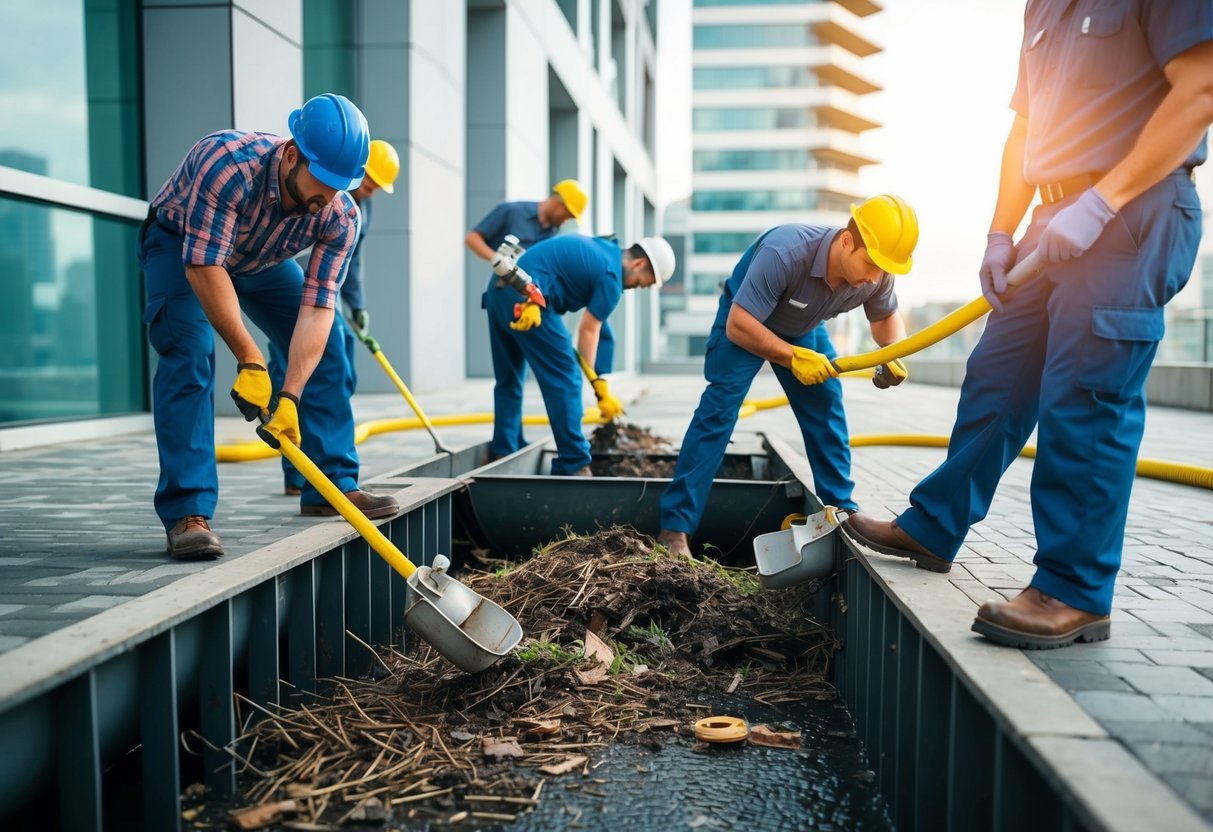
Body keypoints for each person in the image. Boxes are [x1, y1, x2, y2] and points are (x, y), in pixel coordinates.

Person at [842, 3, 1213, 649]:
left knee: (1084, 398)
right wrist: (998, 231)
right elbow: (1024, 127)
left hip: (1132, 209)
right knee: (995, 379)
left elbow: (1201, 87)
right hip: (1051, 216)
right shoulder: (1042, 5)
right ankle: (933, 525)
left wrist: (1104, 200)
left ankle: (1073, 591)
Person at [138, 93, 400, 561]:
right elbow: (205, 266)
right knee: (190, 348)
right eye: (322, 182)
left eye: (340, 187)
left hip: (261, 259)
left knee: (333, 344)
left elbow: (318, 308)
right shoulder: (227, 164)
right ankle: (188, 512)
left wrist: (291, 395)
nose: (328, 199)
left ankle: (331, 485)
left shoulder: (340, 213)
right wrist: (252, 359)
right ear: (293, 155)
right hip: (183, 247)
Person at [656, 195, 920, 557]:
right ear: (846, 240)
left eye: (883, 269)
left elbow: (886, 319)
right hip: (748, 320)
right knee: (718, 413)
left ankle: (840, 509)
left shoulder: (877, 274)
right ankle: (674, 529)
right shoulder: (785, 253)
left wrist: (894, 353)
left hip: (804, 326)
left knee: (826, 401)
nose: (874, 277)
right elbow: (739, 326)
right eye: (871, 264)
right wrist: (792, 356)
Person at [271, 139, 401, 496]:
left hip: (322, 288)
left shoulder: (360, 210)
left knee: (336, 354)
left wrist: (355, 305)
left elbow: (350, 262)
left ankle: (326, 475)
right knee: (290, 365)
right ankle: (296, 470)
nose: (371, 190)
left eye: (376, 186)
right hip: (286, 279)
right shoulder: (319, 188)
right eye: (370, 181)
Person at [485, 234, 675, 475]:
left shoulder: (604, 250)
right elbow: (589, 330)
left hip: (499, 288)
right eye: (641, 283)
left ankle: (505, 449)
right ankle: (574, 464)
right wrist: (592, 384)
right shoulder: (612, 277)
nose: (636, 288)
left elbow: (602, 329)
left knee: (509, 380)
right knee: (567, 379)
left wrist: (602, 382)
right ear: (638, 264)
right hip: (528, 297)